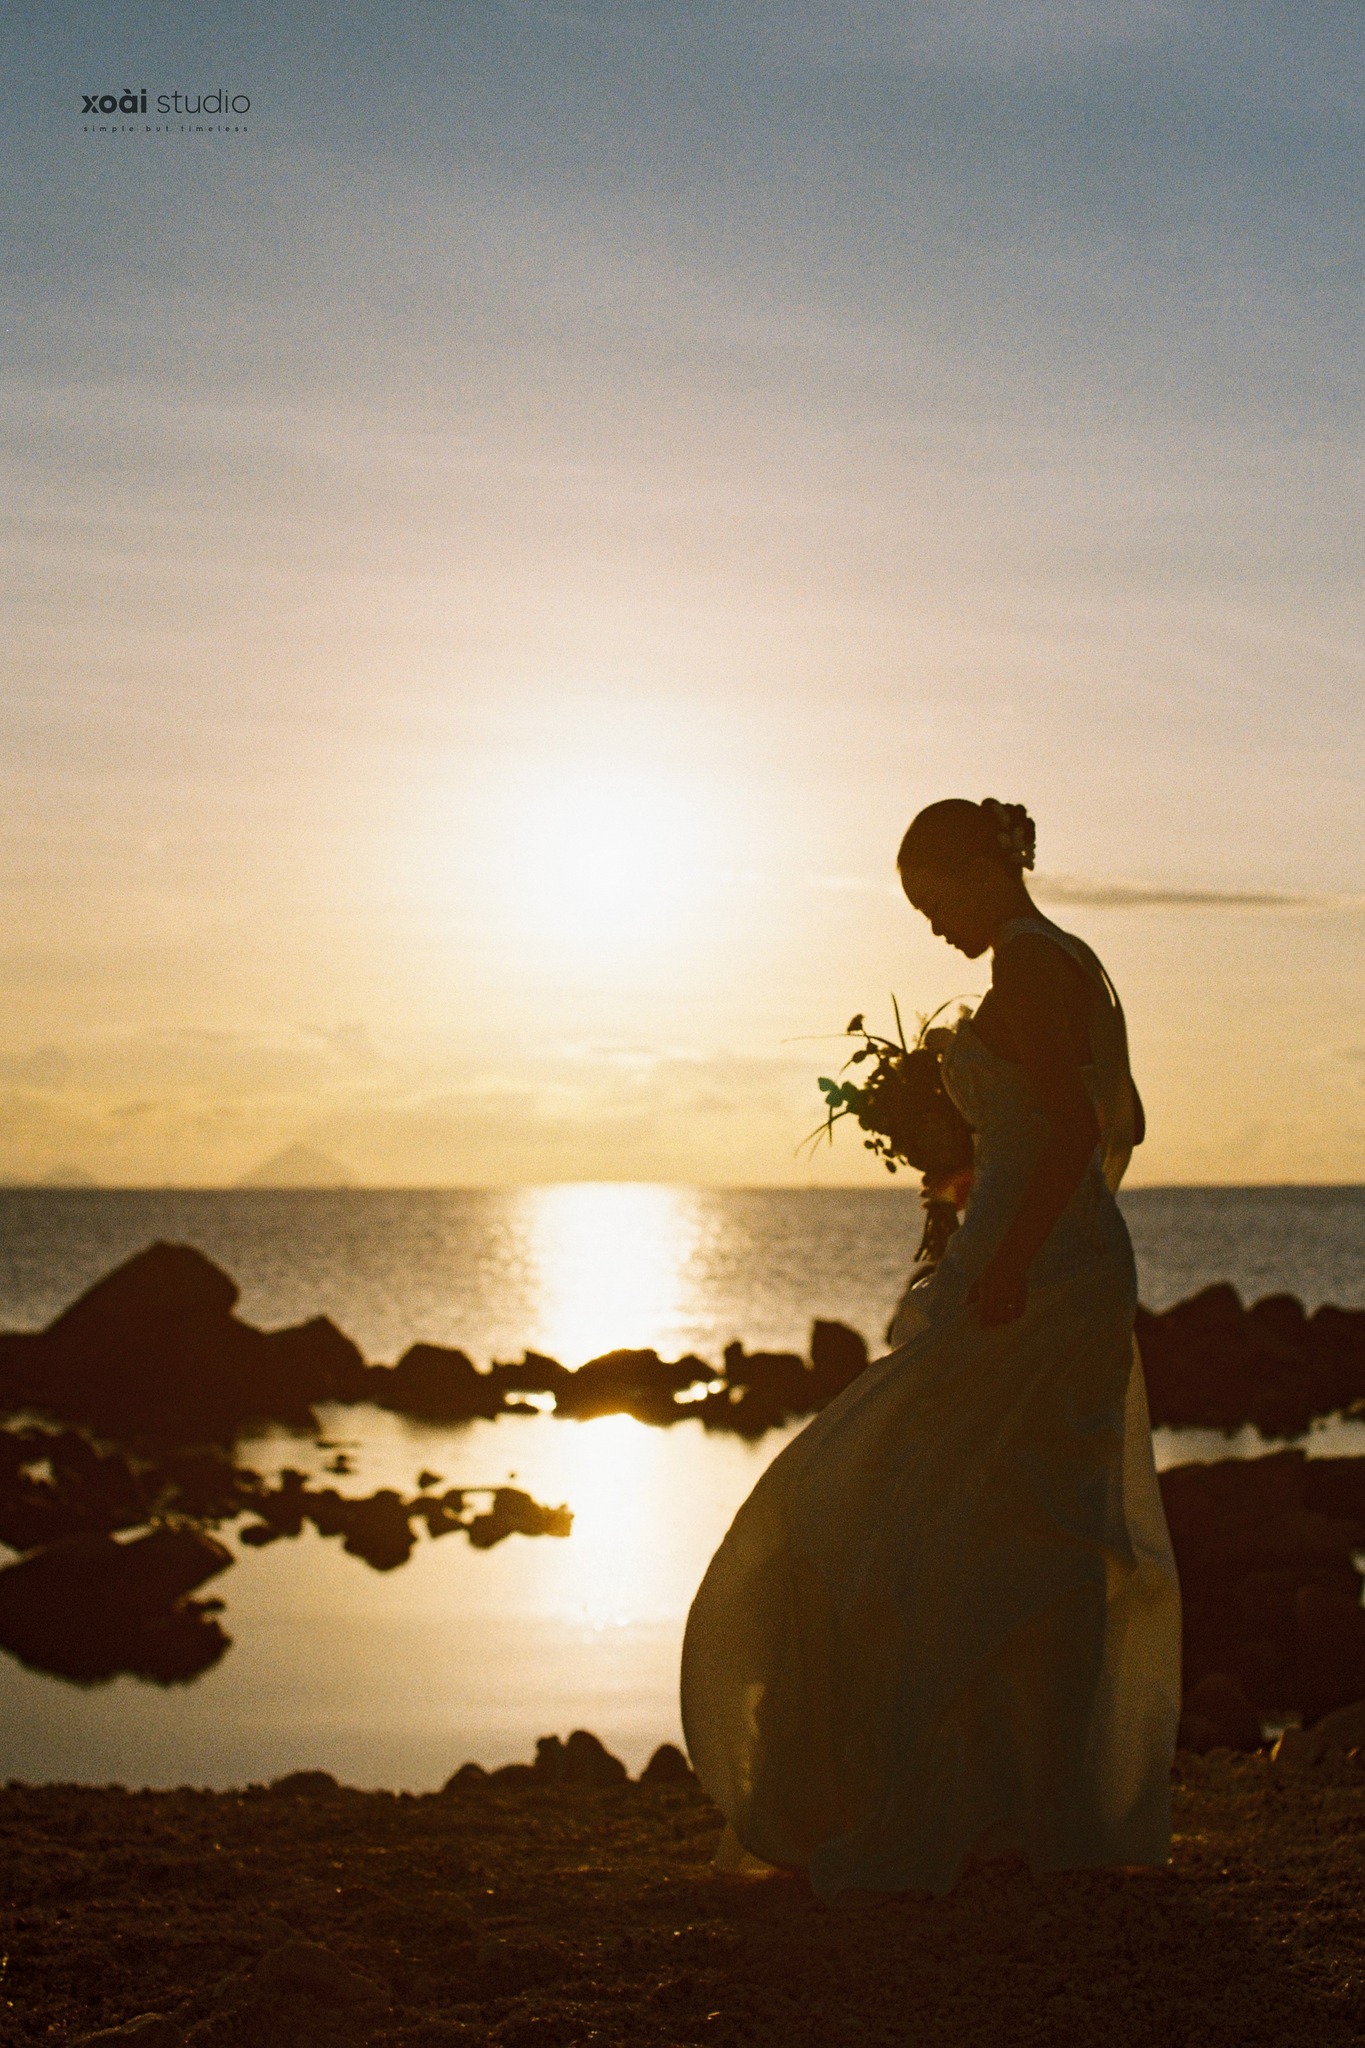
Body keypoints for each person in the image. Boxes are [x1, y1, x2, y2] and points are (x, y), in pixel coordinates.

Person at [680, 797, 1181, 1898]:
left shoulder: (1036, 967)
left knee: (986, 1518)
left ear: (979, 868)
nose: (934, 923)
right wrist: (961, 1187)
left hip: (1041, 1277)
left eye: (936, 895)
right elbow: (1041, 1132)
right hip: (1030, 1255)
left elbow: (1065, 1129)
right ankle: (1015, 1798)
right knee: (996, 1520)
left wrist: (1007, 1263)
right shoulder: (1054, 960)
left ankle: (1011, 1799)